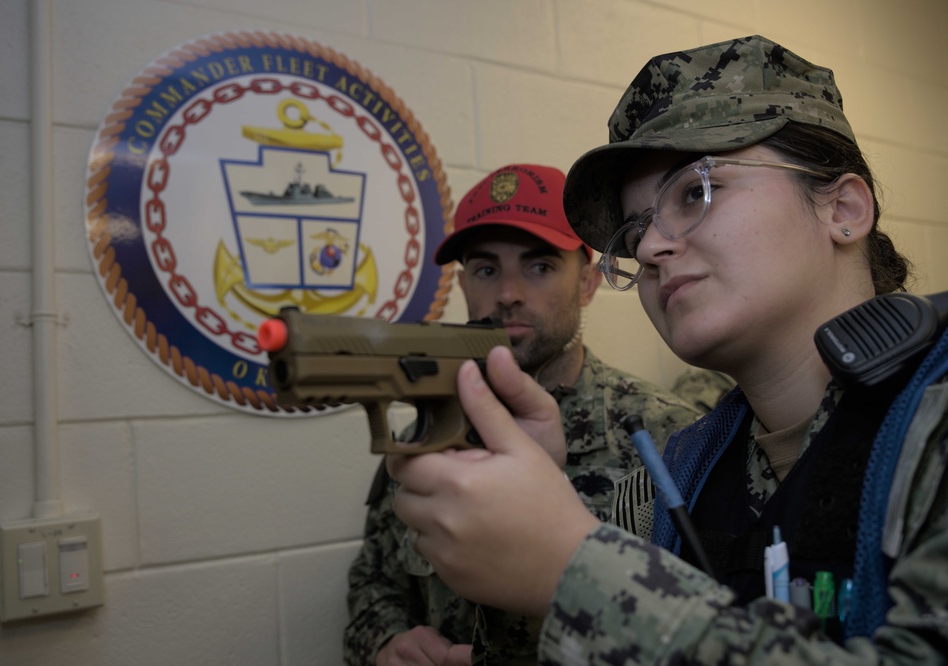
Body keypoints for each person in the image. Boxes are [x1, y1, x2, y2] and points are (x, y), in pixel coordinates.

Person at [387, 35, 948, 663]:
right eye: (635, 229)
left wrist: (577, 571)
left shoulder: (932, 421)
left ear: (843, 207)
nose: (650, 248)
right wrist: (528, 575)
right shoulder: (667, 483)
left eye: (693, 191)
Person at [343, 164, 705, 665]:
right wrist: (385, 643)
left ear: (585, 285)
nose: (508, 293)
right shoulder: (429, 437)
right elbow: (373, 582)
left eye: (539, 267)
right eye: (486, 270)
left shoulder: (669, 435)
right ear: (464, 285)